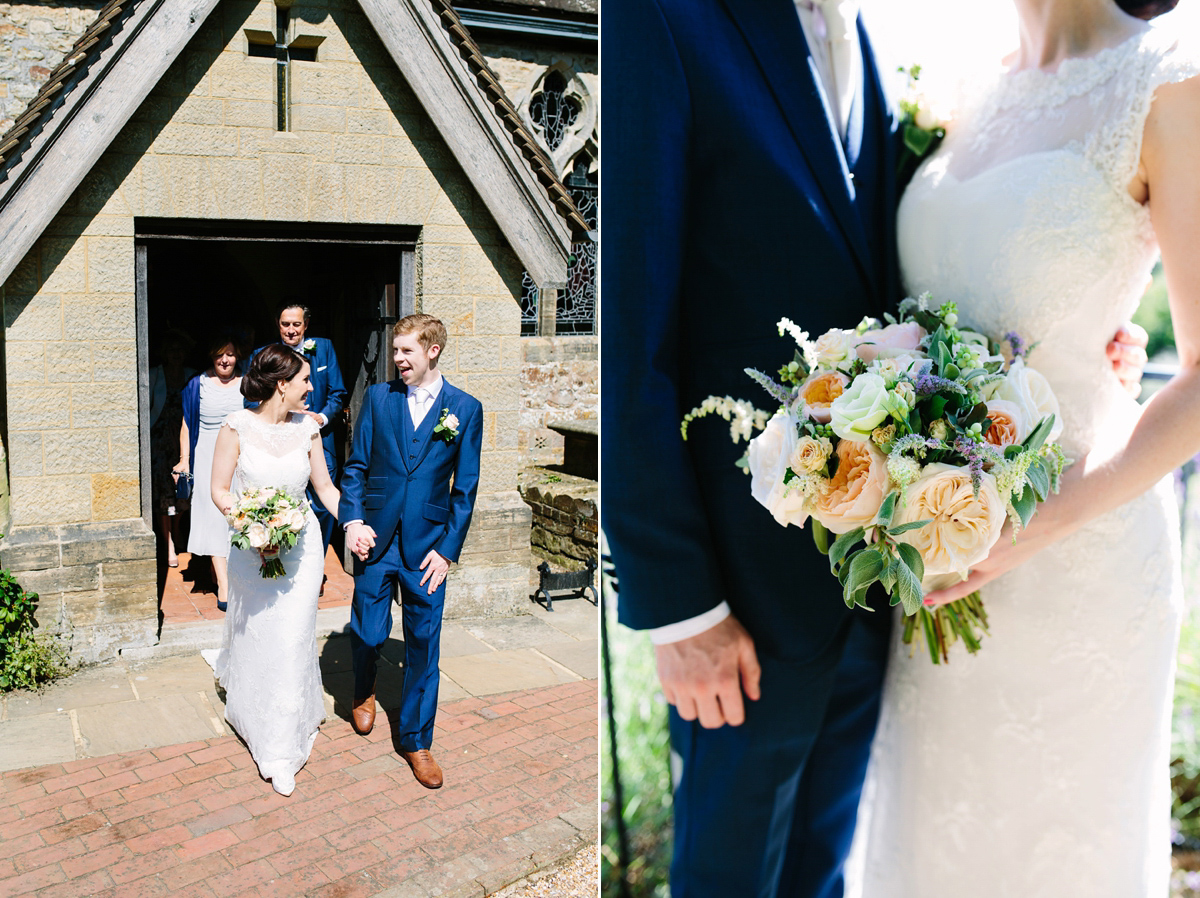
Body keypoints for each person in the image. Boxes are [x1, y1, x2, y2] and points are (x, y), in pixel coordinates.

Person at [601, 1, 1152, 895]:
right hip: (736, 616)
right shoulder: (665, 17)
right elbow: (629, 333)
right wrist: (678, 609)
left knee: (822, 874)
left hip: (879, 584)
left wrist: (1075, 339)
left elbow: (904, 275)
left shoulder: (870, 41)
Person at [850, 2, 1198, 894]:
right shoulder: (962, 80)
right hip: (936, 556)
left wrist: (1038, 523)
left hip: (1084, 553)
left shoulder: (1168, 77)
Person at [339, 314, 482, 789]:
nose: (397, 360)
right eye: (396, 351)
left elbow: (465, 489)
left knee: (424, 646)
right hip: (376, 541)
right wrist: (353, 521)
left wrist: (447, 552)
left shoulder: (465, 408)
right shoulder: (380, 399)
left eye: (406, 352)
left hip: (427, 551)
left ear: (433, 351)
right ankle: (364, 687)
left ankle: (417, 740)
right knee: (367, 631)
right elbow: (356, 466)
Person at [208, 344, 343, 796]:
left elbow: (324, 487)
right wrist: (251, 522)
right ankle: (256, 714)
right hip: (253, 551)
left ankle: (280, 744)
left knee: (292, 633)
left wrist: (358, 522)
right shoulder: (236, 426)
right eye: (305, 379)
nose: (312, 386)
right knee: (260, 632)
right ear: (281, 384)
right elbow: (219, 490)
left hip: (302, 550)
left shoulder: (308, 429)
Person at [251, 303, 347, 564]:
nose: (291, 330)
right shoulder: (263, 354)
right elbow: (252, 401)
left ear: (306, 325)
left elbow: (338, 393)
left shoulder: (324, 348)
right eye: (285, 324)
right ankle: (282, 559)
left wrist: (322, 417)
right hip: (279, 440)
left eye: (296, 324)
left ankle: (316, 560)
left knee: (324, 505)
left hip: (320, 439)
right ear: (277, 324)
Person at [176, 335, 244, 609]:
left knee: (237, 515)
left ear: (237, 355)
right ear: (211, 357)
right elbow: (187, 425)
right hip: (206, 455)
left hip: (239, 457)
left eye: (229, 354)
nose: (225, 360)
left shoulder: (247, 383)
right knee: (215, 517)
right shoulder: (197, 384)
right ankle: (224, 586)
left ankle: (234, 576)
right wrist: (184, 460)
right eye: (219, 355)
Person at [149, 329, 195, 568]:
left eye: (179, 350)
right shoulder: (155, 375)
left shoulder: (192, 376)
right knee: (162, 492)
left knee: (183, 489)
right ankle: (168, 542)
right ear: (164, 354)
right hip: (160, 442)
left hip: (184, 441)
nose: (176, 354)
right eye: (171, 350)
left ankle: (178, 532)